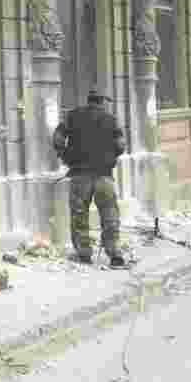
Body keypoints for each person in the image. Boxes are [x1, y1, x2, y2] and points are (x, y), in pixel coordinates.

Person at [52, 90, 128, 268]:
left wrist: (65, 156)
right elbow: (121, 145)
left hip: (80, 175)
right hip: (104, 176)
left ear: (89, 101)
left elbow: (57, 139)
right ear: (101, 102)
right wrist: (110, 156)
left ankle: (84, 254)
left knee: (79, 215)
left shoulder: (72, 117)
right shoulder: (111, 120)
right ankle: (115, 254)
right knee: (110, 216)